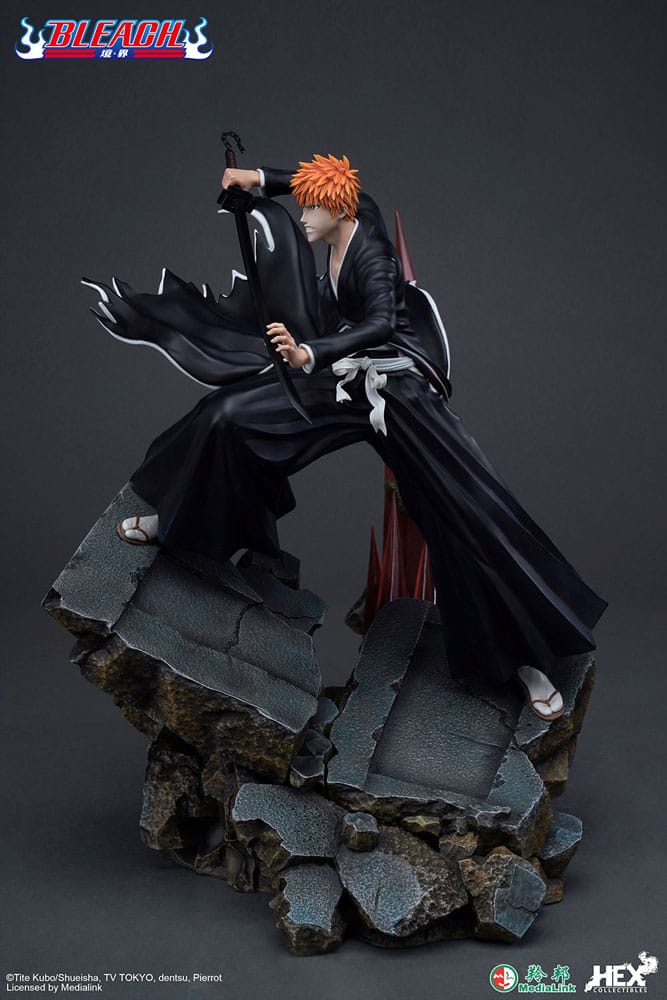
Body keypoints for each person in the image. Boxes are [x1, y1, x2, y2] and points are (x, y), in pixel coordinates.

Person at [86, 153, 607, 722]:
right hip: (346, 384)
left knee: (471, 516)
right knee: (227, 414)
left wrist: (310, 353)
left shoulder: (374, 257)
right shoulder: (354, 207)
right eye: (304, 205)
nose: (302, 216)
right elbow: (302, 181)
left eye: (312, 209)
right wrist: (254, 179)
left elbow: (380, 323)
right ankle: (179, 521)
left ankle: (528, 661)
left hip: (402, 399)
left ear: (339, 210)